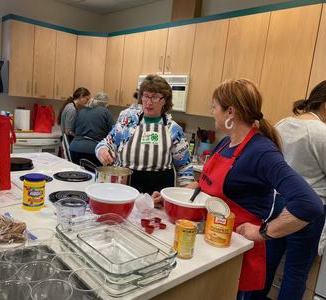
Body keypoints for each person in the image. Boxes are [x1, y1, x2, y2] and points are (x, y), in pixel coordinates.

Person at [194, 79, 323, 300]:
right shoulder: (227, 143)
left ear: (230, 112)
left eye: (214, 107)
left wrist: (262, 232)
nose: (212, 112)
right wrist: (187, 191)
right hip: (215, 242)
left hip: (237, 250)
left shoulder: (261, 151)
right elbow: (211, 183)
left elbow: (309, 203)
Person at [251, 81, 326, 300]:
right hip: (308, 209)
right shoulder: (321, 133)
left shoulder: (284, 123)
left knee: (267, 264)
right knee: (295, 274)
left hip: (278, 203)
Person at [95, 74, 193, 197]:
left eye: (155, 97)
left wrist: (183, 197)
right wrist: (102, 150)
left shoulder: (173, 129)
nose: (148, 102)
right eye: (146, 96)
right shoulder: (127, 122)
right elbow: (106, 143)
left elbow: (185, 169)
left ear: (165, 100)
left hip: (156, 197)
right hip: (124, 192)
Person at [69, 92, 115, 166]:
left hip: (74, 149)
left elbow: (71, 132)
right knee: (94, 176)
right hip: (94, 151)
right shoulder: (106, 112)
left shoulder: (81, 111)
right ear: (106, 103)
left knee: (77, 175)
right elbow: (113, 134)